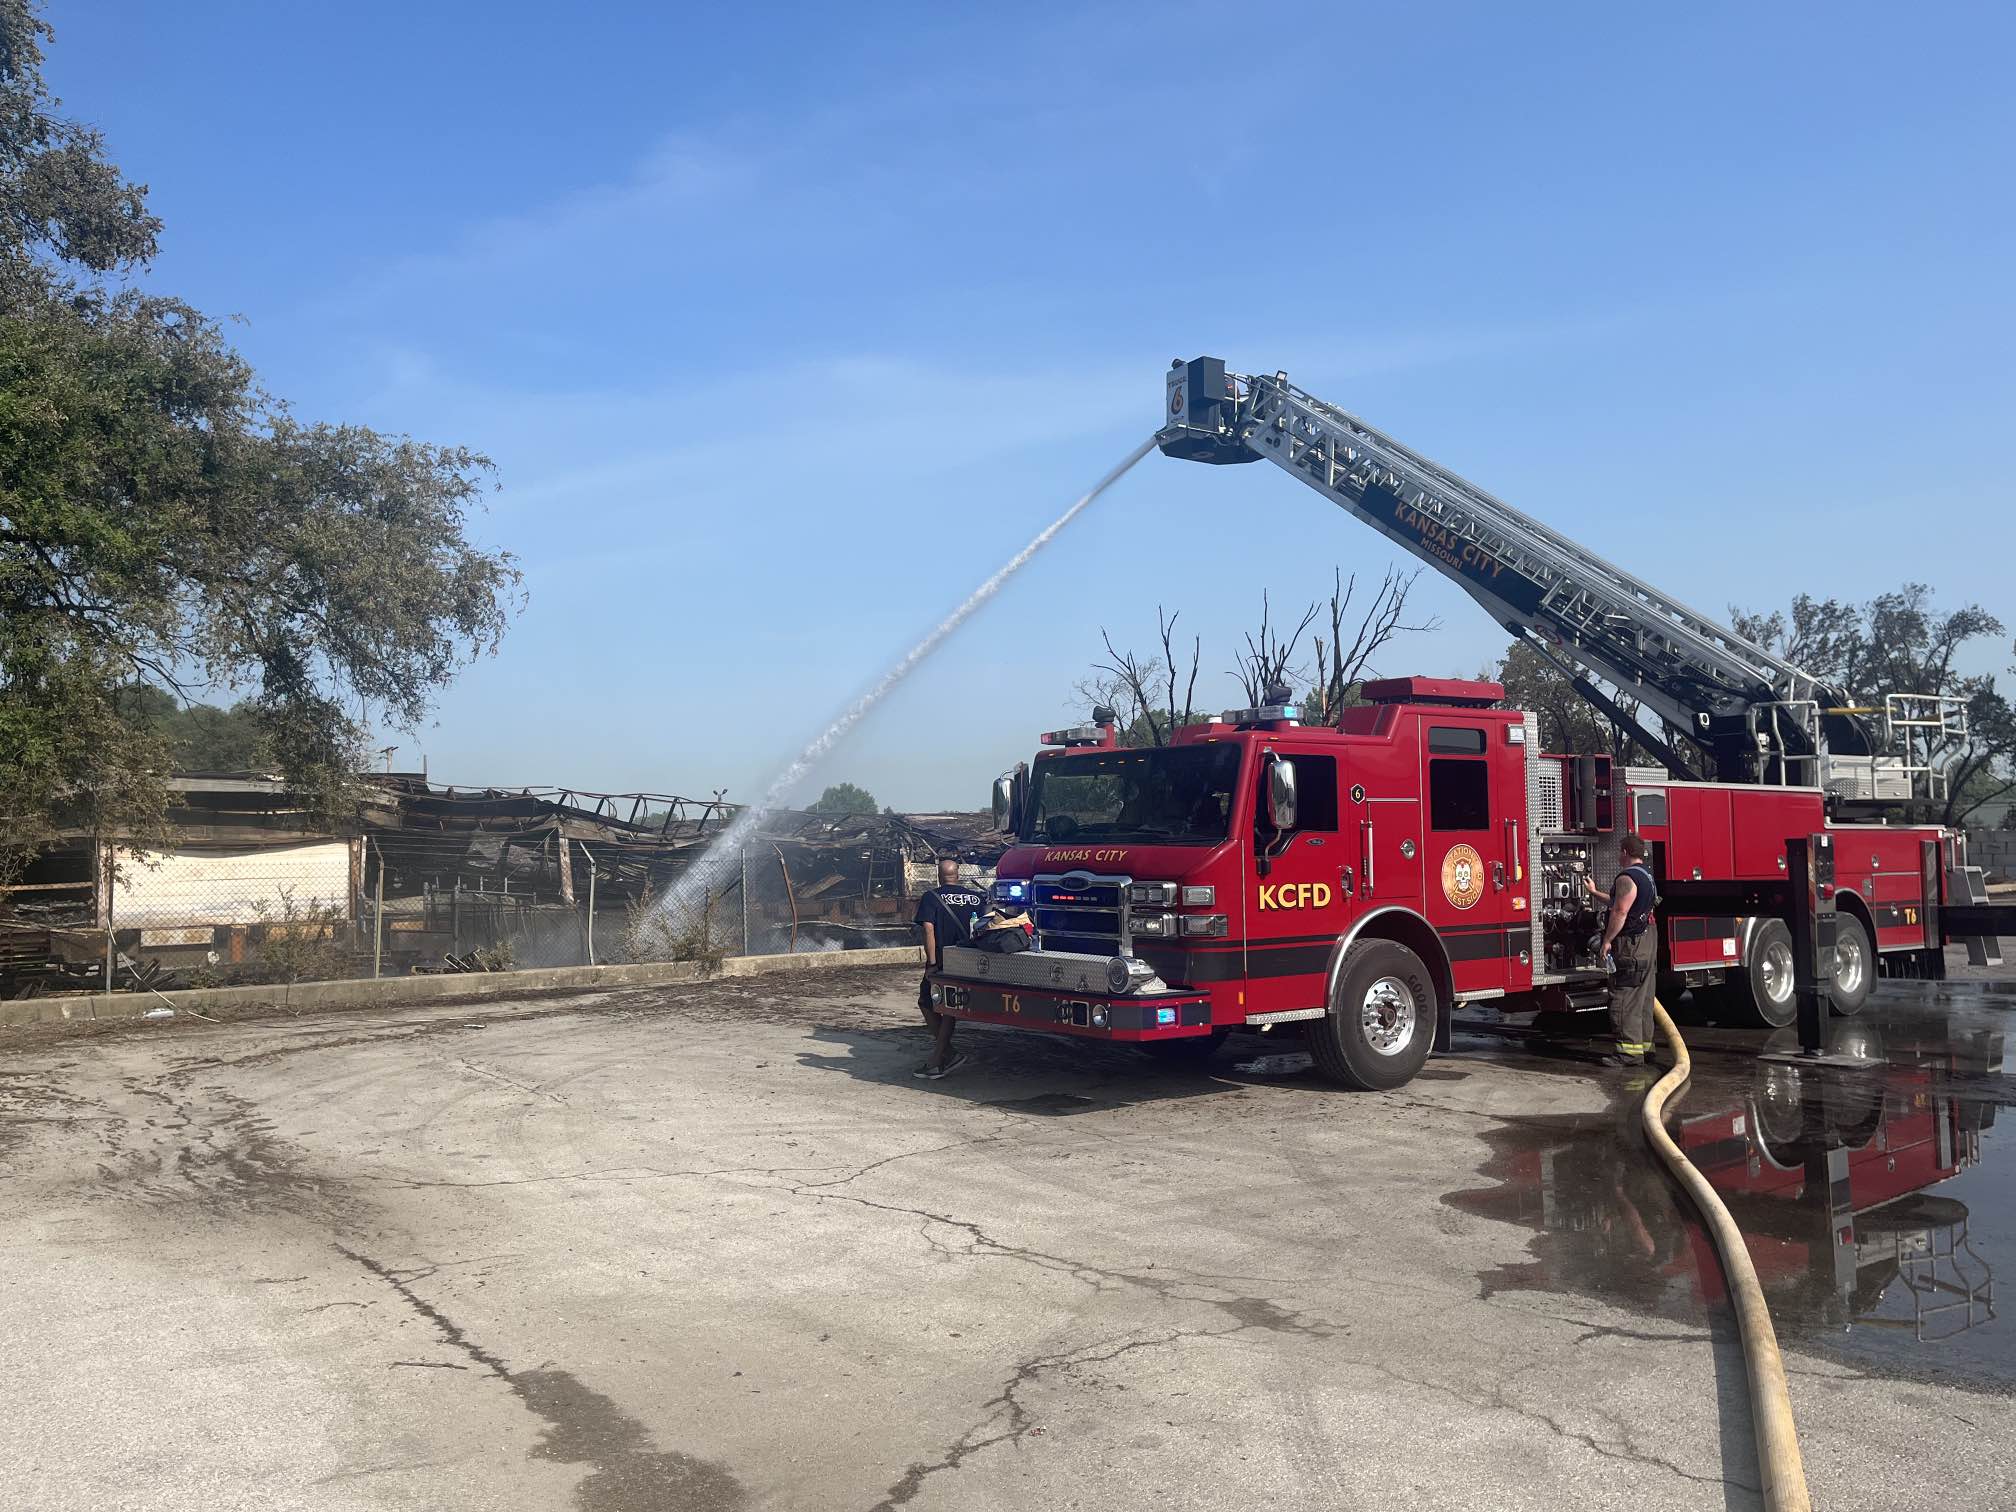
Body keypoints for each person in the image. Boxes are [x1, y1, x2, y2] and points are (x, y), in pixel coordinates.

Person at [1588, 832, 1660, 1067]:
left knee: (1624, 998)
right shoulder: (1646, 875)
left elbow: (1619, 912)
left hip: (1630, 945)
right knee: (1643, 999)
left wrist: (1608, 940)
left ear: (1626, 853)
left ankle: (1628, 1054)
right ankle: (1646, 1048)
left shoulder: (1626, 878)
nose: (1618, 856)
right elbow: (1616, 902)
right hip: (1647, 941)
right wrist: (1593, 892)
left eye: (1620, 851)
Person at [913, 857, 984, 1079]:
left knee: (927, 1002)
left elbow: (928, 930)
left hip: (943, 959)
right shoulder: (976, 898)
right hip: (968, 959)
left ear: (938, 876)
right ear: (958, 875)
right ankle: (947, 1052)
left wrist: (932, 964)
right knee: (949, 1006)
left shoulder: (931, 897)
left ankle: (939, 1058)